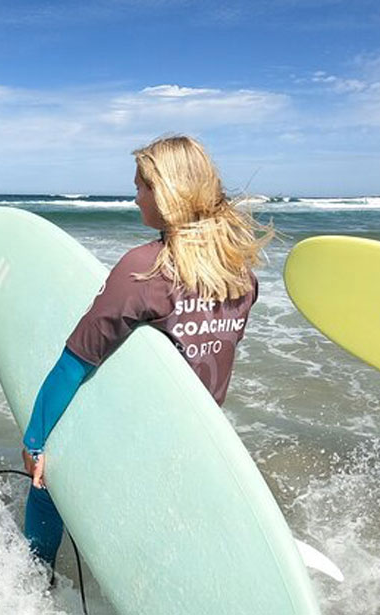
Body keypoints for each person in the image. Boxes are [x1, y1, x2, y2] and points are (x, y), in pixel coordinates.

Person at [20, 135, 271, 567]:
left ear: (169, 193)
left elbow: (74, 362)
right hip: (197, 442)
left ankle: (32, 583)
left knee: (47, 483)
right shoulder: (241, 275)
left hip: (137, 433)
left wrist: (35, 442)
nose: (135, 197)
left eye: (142, 186)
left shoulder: (144, 268)